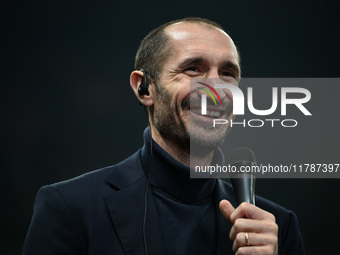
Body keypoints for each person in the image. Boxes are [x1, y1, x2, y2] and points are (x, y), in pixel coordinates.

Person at [23, 17, 305, 255]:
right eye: (193, 69)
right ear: (144, 88)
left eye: (228, 74)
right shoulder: (69, 207)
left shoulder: (279, 226)